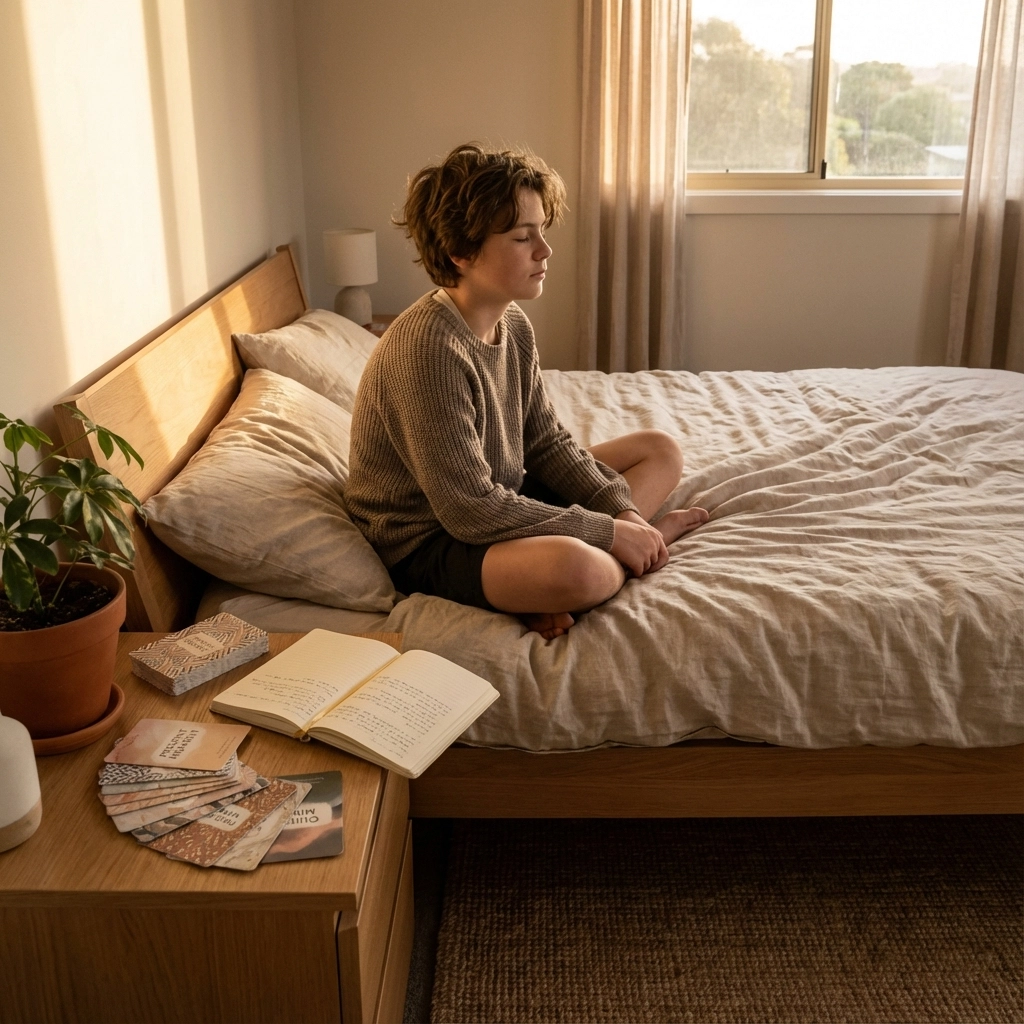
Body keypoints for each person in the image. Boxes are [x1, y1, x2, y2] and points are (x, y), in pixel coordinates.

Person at [345, 144, 707, 639]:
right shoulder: (426, 349)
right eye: (522, 237)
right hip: (431, 536)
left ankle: (599, 563)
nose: (545, 250)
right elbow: (469, 510)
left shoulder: (511, 322)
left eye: (542, 231)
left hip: (498, 492)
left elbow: (545, 443)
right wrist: (607, 533)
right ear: (461, 252)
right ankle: (581, 575)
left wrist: (623, 516)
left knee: (659, 450)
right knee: (583, 570)